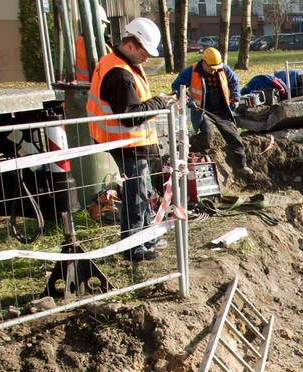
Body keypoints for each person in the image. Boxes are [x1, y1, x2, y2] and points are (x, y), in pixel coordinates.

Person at [87, 17, 172, 262]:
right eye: (145, 52)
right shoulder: (119, 74)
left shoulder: (116, 61)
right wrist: (159, 102)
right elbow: (130, 116)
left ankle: (145, 238)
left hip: (128, 141)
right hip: (127, 142)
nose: (147, 58)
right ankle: (134, 248)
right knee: (137, 195)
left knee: (141, 191)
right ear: (131, 45)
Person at [172, 48, 253, 175]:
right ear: (203, 63)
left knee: (234, 137)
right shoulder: (192, 71)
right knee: (207, 133)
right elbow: (177, 85)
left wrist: (235, 98)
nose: (214, 70)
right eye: (211, 67)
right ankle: (197, 156)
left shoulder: (223, 69)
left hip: (222, 110)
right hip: (203, 111)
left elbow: (234, 81)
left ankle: (241, 165)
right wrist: (187, 99)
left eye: (216, 67)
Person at [76, 4, 112, 83]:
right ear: (94, 23)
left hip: (81, 85)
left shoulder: (78, 42)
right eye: (103, 22)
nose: (105, 26)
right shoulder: (101, 46)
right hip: (97, 87)